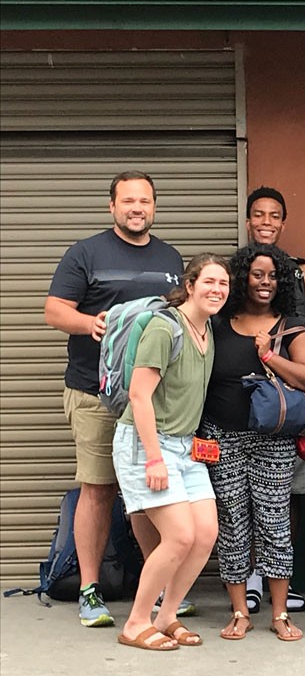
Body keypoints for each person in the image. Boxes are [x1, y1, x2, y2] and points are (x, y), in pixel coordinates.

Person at [44, 170, 186, 628]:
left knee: (148, 490)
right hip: (94, 392)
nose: (136, 208)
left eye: (144, 201)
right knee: (99, 487)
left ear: (154, 207)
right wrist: (91, 324)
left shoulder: (170, 258)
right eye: (128, 201)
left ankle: (158, 589)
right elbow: (54, 310)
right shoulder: (85, 253)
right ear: (112, 206)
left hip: (152, 399)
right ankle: (90, 590)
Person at [201, 244, 305, 641]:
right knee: (232, 522)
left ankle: (279, 614)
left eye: (272, 276)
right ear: (243, 278)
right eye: (257, 274)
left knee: (274, 523)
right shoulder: (218, 322)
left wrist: (270, 356)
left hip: (273, 440)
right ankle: (240, 612)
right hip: (222, 437)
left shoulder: (290, 325)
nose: (265, 282)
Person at [112, 253, 230, 650]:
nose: (217, 290)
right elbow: (139, 395)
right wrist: (153, 458)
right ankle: (135, 623)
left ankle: (166, 616)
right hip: (147, 442)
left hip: (185, 446)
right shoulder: (166, 328)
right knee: (179, 536)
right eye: (209, 282)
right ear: (190, 285)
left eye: (223, 283)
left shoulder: (206, 329)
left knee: (205, 534)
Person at [243, 186, 305, 613]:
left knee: (286, 494)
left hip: (289, 396)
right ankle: (251, 577)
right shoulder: (235, 271)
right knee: (243, 496)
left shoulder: (302, 273)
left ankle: (279, 578)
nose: (266, 222)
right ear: (248, 220)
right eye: (259, 214)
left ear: (283, 223)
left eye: (274, 215)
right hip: (245, 393)